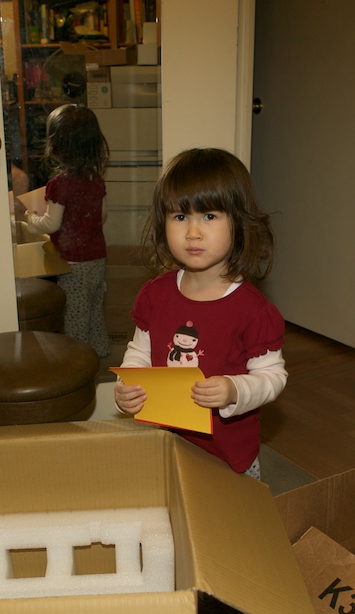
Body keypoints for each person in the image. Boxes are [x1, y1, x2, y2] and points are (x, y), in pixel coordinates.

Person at [113, 147, 286, 481]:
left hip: (229, 455)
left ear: (238, 222)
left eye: (209, 216)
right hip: (166, 441)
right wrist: (128, 384)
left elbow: (273, 377)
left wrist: (235, 390)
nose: (192, 232)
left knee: (229, 512)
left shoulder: (253, 310)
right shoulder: (154, 295)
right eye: (180, 217)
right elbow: (139, 352)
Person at [21, 104, 110, 357]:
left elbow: (51, 224)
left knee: (75, 317)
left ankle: (77, 359)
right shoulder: (96, 179)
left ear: (56, 146)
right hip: (98, 258)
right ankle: (100, 351)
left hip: (73, 264)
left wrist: (30, 219)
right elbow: (103, 214)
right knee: (94, 310)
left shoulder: (59, 184)